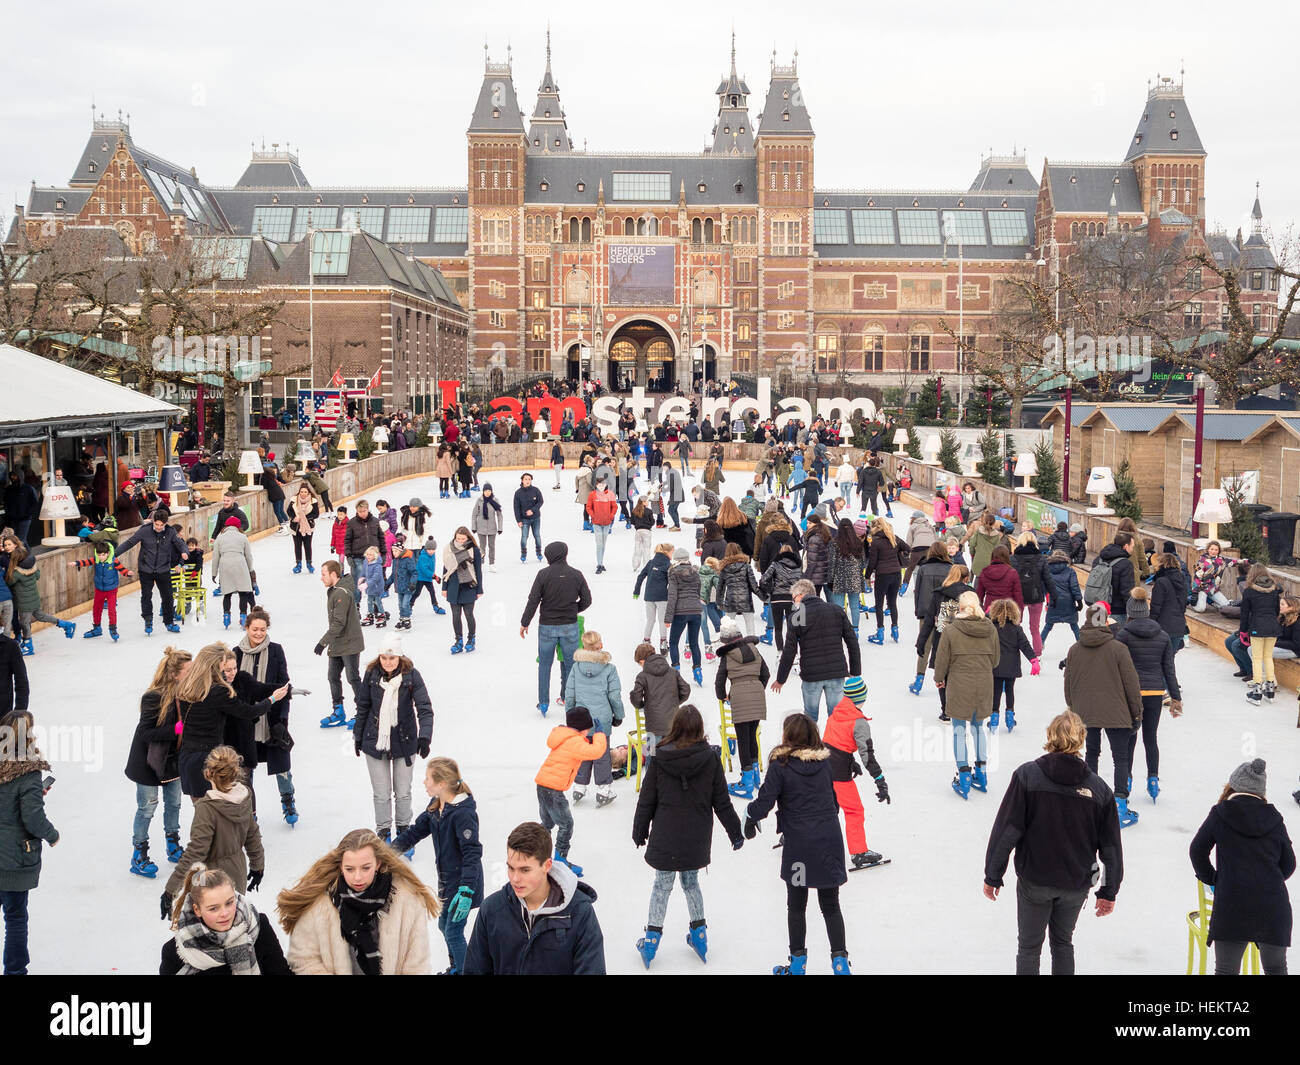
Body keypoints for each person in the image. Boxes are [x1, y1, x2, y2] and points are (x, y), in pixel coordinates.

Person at [983, 711, 1123, 975]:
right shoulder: (1099, 790)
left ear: (1050, 736)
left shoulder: (1027, 776)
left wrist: (993, 875)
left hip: (1035, 879)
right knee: (1063, 943)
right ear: (1081, 740)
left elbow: (1007, 830)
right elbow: (1111, 848)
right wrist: (1109, 891)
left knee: (1028, 948)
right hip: (1076, 883)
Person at [631, 704, 743, 967]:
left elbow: (646, 799)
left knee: (662, 886)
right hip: (696, 836)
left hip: (666, 835)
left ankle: (650, 940)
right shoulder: (711, 758)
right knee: (691, 883)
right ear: (699, 729)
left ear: (676, 727)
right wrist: (735, 832)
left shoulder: (659, 758)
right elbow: (722, 801)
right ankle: (700, 934)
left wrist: (639, 830)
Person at [744, 713, 851, 975]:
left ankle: (798, 963)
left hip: (800, 848)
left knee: (796, 903)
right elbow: (834, 802)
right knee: (831, 905)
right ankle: (840, 964)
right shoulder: (825, 763)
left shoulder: (781, 764)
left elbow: (766, 800)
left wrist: (750, 816)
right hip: (828, 841)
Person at [278, 828, 440, 974]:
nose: (357, 877)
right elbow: (303, 961)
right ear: (341, 866)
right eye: (349, 869)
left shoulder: (408, 900)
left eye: (365, 868)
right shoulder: (319, 903)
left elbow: (417, 966)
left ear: (378, 863)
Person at [1189, 759, 1295, 976]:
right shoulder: (1274, 819)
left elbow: (1197, 851)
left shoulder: (1220, 813)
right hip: (1273, 906)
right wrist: (1268, 881)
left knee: (1226, 971)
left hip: (1232, 905)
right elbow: (1289, 864)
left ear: (1233, 786)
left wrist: (1214, 879)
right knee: (1276, 969)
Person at [463, 820, 605, 975]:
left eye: (525, 870)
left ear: (547, 865)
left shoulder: (580, 913)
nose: (515, 878)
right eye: (511, 868)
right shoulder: (491, 910)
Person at [391, 758, 483, 975]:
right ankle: (456, 967)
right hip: (447, 883)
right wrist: (387, 853)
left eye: (428, 779)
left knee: (453, 931)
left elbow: (472, 853)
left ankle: (464, 971)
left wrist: (467, 890)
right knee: (444, 927)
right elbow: (416, 831)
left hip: (463, 886)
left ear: (442, 784)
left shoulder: (463, 814)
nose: (424, 782)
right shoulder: (436, 805)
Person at [1063, 605, 1143, 828]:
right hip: (1116, 712)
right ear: (1106, 621)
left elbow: (1068, 683)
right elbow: (1131, 684)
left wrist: (1073, 707)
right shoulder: (1118, 649)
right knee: (1120, 758)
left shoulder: (1074, 649)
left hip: (1085, 711)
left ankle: (1088, 797)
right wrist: (1137, 713)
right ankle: (1119, 804)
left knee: (1091, 754)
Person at [162, 745, 264, 918]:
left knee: (210, 925)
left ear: (208, 773)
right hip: (236, 874)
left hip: (209, 879)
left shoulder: (206, 808)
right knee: (232, 919)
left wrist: (171, 889)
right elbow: (252, 834)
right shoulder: (244, 797)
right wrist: (257, 866)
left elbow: (196, 852)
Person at [175, 642, 287, 799]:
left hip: (188, 759)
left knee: (203, 816)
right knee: (218, 814)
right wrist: (273, 699)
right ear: (215, 666)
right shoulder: (217, 692)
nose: (225, 670)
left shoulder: (187, 686)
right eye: (223, 665)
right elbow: (249, 712)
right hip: (209, 761)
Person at [353, 634, 433, 845]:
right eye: (384, 658)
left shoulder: (412, 676)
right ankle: (384, 832)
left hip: (405, 741)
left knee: (403, 792)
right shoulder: (371, 674)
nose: (388, 662)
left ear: (400, 657)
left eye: (392, 658)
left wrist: (424, 737)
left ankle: (404, 832)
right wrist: (357, 736)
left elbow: (424, 708)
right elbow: (363, 706)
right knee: (381, 793)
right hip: (375, 740)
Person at [0, 708, 58, 974]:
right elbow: (32, 818)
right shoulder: (28, 772)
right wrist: (52, 834)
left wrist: (35, 793)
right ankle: (15, 971)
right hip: (12, 857)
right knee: (15, 917)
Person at [126, 647, 191, 876]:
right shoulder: (153, 697)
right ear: (175, 674)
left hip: (173, 762)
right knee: (147, 808)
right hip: (148, 763)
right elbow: (145, 733)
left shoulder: (186, 694)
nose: (192, 674)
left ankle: (173, 845)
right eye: (188, 670)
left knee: (174, 804)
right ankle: (139, 855)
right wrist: (175, 730)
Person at [161, 864, 291, 975]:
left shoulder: (258, 925)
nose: (225, 913)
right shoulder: (175, 953)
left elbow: (280, 972)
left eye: (229, 903)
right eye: (213, 908)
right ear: (197, 910)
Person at [1115, 587, 1182, 803]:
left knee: (1130, 737)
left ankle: (1126, 778)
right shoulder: (1162, 636)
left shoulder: (1123, 635)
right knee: (1150, 737)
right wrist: (1176, 698)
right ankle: (1153, 779)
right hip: (1154, 692)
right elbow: (1169, 670)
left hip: (1131, 694)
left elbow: (1116, 667)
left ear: (1130, 612)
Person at [933, 591, 1001, 798]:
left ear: (960, 608)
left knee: (959, 730)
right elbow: (996, 660)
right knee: (979, 728)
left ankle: (963, 776)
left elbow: (941, 659)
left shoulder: (952, 631)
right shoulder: (990, 629)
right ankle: (981, 773)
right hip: (983, 683)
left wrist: (939, 678)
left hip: (960, 683)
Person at [233, 608, 297, 825]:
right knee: (244, 770)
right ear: (247, 628)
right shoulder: (236, 653)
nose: (259, 633)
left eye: (262, 629)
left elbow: (283, 685)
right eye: (255, 629)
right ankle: (249, 812)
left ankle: (288, 801)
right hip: (245, 723)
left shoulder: (276, 651)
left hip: (271, 721)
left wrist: (282, 720)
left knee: (282, 768)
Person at [823, 676, 890, 869]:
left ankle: (796, 835)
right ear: (863, 696)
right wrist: (880, 780)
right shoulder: (859, 722)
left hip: (823, 768)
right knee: (854, 811)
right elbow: (868, 756)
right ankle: (859, 852)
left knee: (827, 809)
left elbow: (833, 740)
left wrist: (850, 760)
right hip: (839, 774)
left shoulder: (837, 711)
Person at [520, 541, 593, 717]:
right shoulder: (576, 574)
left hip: (547, 626)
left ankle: (543, 703)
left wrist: (525, 622)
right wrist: (573, 609)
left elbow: (533, 600)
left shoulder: (543, 574)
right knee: (570, 664)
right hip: (569, 625)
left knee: (545, 665)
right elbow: (587, 599)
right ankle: (567, 698)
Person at [774, 579, 861, 723]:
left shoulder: (797, 617)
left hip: (811, 675)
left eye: (794, 598)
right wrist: (855, 670)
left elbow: (790, 650)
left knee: (810, 717)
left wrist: (781, 679)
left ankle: (812, 745)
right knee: (836, 718)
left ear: (800, 596)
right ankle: (835, 744)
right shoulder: (836, 610)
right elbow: (852, 642)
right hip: (836, 673)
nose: (793, 602)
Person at [535, 707, 608, 874]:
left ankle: (535, 852)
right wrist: (599, 735)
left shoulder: (564, 737)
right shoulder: (575, 742)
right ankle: (560, 861)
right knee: (566, 825)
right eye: (588, 728)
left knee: (547, 823)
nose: (589, 731)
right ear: (582, 727)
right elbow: (596, 752)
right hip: (553, 790)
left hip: (542, 785)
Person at [564, 630, 623, 807]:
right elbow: (614, 696)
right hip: (601, 719)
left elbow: (569, 694)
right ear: (600, 645)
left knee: (582, 751)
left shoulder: (576, 667)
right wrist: (618, 715)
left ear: (584, 646)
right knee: (601, 753)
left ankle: (580, 785)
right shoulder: (609, 669)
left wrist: (570, 716)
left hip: (581, 719)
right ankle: (604, 788)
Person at [114, 508, 190, 635]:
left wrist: (184, 552)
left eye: (162, 525)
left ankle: (169, 622)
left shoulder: (170, 532)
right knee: (146, 596)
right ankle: (148, 620)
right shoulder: (144, 531)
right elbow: (129, 543)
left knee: (167, 596)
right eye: (157, 524)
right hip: (146, 569)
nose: (159, 527)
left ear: (165, 523)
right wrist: (114, 554)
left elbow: (181, 544)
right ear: (153, 521)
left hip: (163, 569)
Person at [316, 561, 365, 730]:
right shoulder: (334, 591)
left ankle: (362, 712)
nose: (321, 578)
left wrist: (322, 643)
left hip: (350, 643)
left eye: (324, 574)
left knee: (353, 678)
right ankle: (338, 711)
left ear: (333, 575)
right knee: (332, 677)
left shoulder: (341, 594)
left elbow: (338, 623)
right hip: (337, 643)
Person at [629, 641, 690, 755]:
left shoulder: (643, 676)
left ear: (642, 661)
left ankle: (651, 773)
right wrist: (675, 702)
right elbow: (686, 690)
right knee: (673, 756)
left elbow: (637, 699)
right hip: (673, 723)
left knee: (652, 756)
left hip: (654, 725)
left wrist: (642, 704)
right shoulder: (672, 671)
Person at [988, 599, 1038, 734]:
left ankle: (994, 716)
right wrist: (1034, 660)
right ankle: (1010, 716)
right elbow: (1025, 645)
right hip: (1012, 666)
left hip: (995, 666)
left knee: (996, 691)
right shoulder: (1017, 629)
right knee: (1009, 690)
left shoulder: (991, 628)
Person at [1238, 563, 1283, 706]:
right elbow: (1277, 611)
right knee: (1268, 657)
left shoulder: (1249, 591)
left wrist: (1243, 631)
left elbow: (1244, 613)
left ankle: (1256, 691)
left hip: (1257, 626)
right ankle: (1270, 690)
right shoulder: (1274, 590)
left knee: (1257, 659)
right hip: (1272, 627)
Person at [69, 539, 131, 640]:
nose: (101, 557)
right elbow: (86, 562)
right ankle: (97, 628)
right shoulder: (96, 560)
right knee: (96, 609)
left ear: (108, 553)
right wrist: (76, 563)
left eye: (103, 555)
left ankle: (113, 629)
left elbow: (122, 569)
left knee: (111, 610)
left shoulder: (113, 561)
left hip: (111, 590)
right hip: (99, 589)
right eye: (99, 555)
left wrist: (127, 573)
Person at [663, 547, 704, 683]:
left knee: (674, 642)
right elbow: (699, 591)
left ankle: (676, 670)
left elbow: (672, 596)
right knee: (694, 643)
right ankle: (697, 670)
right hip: (696, 611)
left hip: (680, 612)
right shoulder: (695, 571)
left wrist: (668, 618)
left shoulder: (673, 572)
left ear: (676, 559)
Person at [863, 518, 907, 644]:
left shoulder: (876, 543)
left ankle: (880, 630)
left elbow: (872, 562)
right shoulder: (895, 538)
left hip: (883, 575)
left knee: (879, 604)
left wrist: (867, 575)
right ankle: (895, 628)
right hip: (896, 573)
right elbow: (908, 548)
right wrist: (899, 555)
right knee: (892, 603)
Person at [442, 527, 484, 654]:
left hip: (469, 586)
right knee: (455, 615)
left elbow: (478, 570)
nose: (460, 541)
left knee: (468, 614)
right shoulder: (449, 549)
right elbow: (446, 569)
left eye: (463, 539)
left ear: (468, 538)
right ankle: (458, 640)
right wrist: (444, 588)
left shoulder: (474, 550)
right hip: (453, 586)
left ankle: (471, 639)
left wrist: (479, 589)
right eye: (458, 538)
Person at [211, 517, 257, 629]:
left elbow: (215, 557)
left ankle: (226, 616)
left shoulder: (220, 538)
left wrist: (214, 573)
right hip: (240, 564)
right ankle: (243, 617)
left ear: (226, 526)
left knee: (227, 594)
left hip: (225, 565)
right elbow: (248, 556)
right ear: (238, 526)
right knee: (243, 593)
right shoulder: (242, 537)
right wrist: (251, 570)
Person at [1010, 531, 1049, 657]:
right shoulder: (1041, 559)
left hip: (1018, 596)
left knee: (1015, 625)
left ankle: (1013, 651)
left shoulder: (1013, 559)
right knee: (1035, 628)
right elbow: (1048, 579)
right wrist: (1053, 596)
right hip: (1036, 595)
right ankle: (1037, 654)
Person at [827, 518, 866, 637]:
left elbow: (832, 563)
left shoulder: (835, 543)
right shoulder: (858, 543)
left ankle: (839, 629)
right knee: (854, 605)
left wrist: (830, 580)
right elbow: (863, 562)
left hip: (840, 578)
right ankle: (855, 629)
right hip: (854, 578)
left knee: (839, 606)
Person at [1149, 551, 1189, 653]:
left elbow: (1156, 606)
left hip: (1163, 625)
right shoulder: (1183, 579)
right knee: (1170, 659)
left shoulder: (1161, 582)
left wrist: (1150, 623)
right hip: (1178, 625)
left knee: (1160, 658)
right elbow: (1184, 604)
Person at [1041, 549, 1082, 645]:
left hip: (1054, 601)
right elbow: (1074, 586)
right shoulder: (1070, 571)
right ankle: (1081, 644)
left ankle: (1040, 644)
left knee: (1048, 625)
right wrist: (1079, 601)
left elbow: (1045, 586)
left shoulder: (1048, 571)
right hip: (1068, 602)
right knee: (1074, 625)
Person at [585, 475, 619, 574]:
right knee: (599, 544)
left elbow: (614, 507)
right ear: (596, 485)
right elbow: (588, 507)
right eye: (600, 484)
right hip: (596, 523)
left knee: (603, 544)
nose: (601, 486)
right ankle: (599, 564)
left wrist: (611, 516)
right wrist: (593, 516)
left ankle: (601, 562)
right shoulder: (592, 494)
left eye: (603, 484)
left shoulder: (610, 494)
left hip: (607, 522)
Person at [974, 544, 1022, 614]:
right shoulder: (1012, 572)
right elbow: (1018, 595)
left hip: (989, 608)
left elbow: (979, 595)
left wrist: (979, 612)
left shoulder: (984, 572)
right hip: (1007, 608)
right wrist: (1019, 614)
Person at [343, 500, 383, 583]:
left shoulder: (376, 521)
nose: (362, 513)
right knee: (358, 581)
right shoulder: (351, 523)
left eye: (364, 511)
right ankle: (357, 595)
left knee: (373, 581)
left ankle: (372, 596)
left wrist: (384, 553)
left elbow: (381, 538)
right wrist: (348, 556)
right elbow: (347, 540)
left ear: (368, 509)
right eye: (360, 511)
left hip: (373, 556)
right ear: (357, 511)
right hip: (358, 557)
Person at [468, 483, 503, 571]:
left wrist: (500, 528)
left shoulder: (495, 500)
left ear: (491, 491)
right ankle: (481, 563)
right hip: (481, 528)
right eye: (486, 491)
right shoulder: (479, 501)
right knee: (482, 547)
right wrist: (474, 526)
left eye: (489, 491)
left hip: (492, 528)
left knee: (492, 546)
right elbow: (474, 514)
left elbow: (499, 515)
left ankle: (492, 564)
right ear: (483, 491)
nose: (487, 493)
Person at [287, 483, 319, 574]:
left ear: (308, 492)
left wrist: (305, 518)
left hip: (308, 527)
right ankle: (298, 564)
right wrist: (294, 518)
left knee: (307, 545)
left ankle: (309, 564)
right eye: (302, 492)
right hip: (296, 527)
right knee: (297, 546)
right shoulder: (294, 500)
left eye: (305, 492)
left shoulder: (313, 501)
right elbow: (289, 511)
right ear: (299, 492)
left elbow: (316, 514)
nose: (303, 493)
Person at [514, 473, 545, 562]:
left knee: (537, 535)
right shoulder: (518, 493)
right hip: (524, 520)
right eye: (526, 479)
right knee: (524, 537)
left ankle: (539, 553)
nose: (528, 481)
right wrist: (518, 520)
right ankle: (523, 554)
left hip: (536, 518)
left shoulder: (536, 490)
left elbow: (540, 501)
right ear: (522, 480)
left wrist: (533, 510)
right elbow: (516, 508)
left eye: (529, 479)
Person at [356, 545, 388, 628]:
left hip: (377, 586)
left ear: (375, 556)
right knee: (369, 601)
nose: (368, 556)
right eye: (367, 554)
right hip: (370, 587)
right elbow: (363, 571)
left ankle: (382, 615)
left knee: (377, 602)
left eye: (370, 555)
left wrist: (366, 584)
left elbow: (376, 578)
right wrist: (361, 578)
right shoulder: (366, 562)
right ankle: (370, 615)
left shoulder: (377, 565)